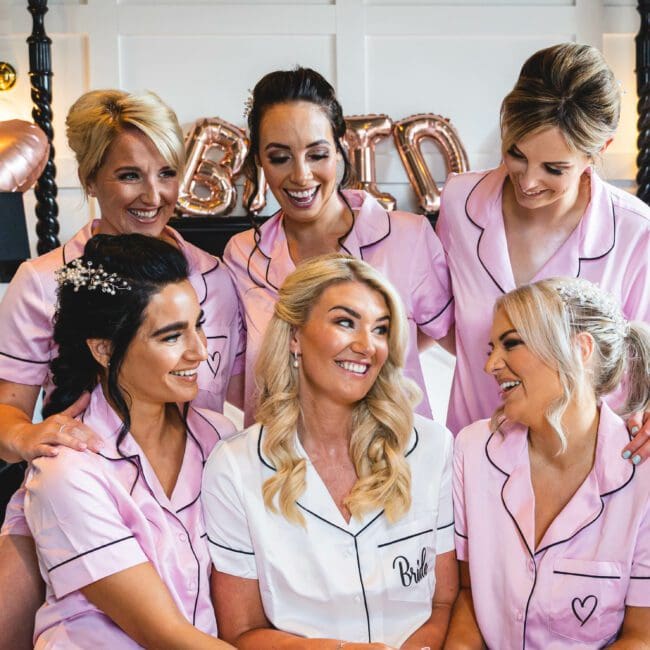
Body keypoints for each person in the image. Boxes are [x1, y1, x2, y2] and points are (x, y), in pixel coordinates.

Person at [0, 89, 242, 649]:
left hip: (196, 483)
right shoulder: (42, 280)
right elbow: (7, 411)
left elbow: (239, 398)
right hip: (90, 472)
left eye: (167, 173)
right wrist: (36, 440)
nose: (153, 195)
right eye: (130, 175)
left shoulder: (215, 277)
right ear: (91, 179)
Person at [203, 254, 458, 649]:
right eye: (345, 322)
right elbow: (241, 632)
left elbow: (443, 601)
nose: (366, 346)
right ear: (294, 337)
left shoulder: (431, 447)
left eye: (380, 330)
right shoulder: (234, 467)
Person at [18, 234, 236, 649]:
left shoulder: (220, 439)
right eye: (172, 336)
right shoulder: (68, 474)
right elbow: (165, 635)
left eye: (199, 326)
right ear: (104, 348)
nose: (200, 351)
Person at [436, 43, 650, 462]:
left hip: (588, 468)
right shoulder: (460, 202)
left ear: (598, 150)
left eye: (554, 169)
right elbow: (446, 322)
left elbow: (642, 356)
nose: (528, 181)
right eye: (516, 153)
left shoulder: (634, 230)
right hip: (473, 461)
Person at [223, 67, 454, 425]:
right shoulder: (241, 255)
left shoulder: (408, 236)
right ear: (259, 162)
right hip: (278, 462)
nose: (301, 175)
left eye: (317, 154)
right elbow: (235, 371)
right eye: (280, 158)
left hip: (390, 454)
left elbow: (449, 336)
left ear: (339, 148)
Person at [445, 277, 650, 649]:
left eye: (512, 343)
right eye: (492, 348)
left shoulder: (643, 477)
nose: (491, 364)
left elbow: (641, 636)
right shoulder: (471, 450)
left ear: (579, 349)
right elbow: (468, 594)